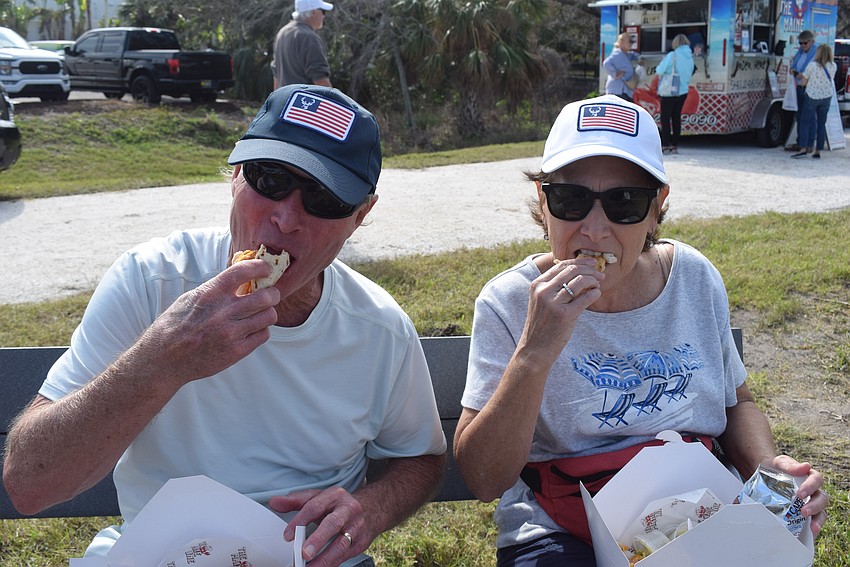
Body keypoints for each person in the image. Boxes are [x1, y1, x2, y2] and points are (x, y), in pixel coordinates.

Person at [2, 85, 447, 567]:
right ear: (235, 175)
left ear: (361, 216)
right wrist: (164, 359)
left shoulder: (378, 328)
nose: (285, 217)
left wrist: (371, 509)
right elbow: (30, 483)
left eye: (324, 198)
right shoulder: (151, 281)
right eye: (269, 178)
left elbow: (419, 458)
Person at [452, 94, 829, 566]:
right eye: (570, 200)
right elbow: (484, 479)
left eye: (624, 203)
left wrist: (769, 473)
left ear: (657, 208)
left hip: (699, 512)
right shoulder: (509, 302)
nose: (593, 229)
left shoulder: (693, 277)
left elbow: (738, 403)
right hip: (562, 528)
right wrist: (532, 355)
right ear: (543, 203)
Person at [273, 0, 334, 89]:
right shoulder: (309, 37)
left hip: (287, 100)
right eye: (323, 11)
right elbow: (320, 79)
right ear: (313, 12)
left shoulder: (282, 33)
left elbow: (276, 74)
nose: (324, 16)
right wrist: (336, 100)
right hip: (304, 101)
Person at [794, 44, 837, 159]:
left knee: (805, 121)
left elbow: (803, 82)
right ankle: (818, 150)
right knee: (821, 124)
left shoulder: (812, 65)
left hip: (812, 96)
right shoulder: (833, 66)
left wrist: (801, 79)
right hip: (826, 97)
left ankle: (803, 148)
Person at [655, 34, 695, 155]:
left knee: (665, 119)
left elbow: (660, 70)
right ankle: (675, 145)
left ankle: (665, 145)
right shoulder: (690, 57)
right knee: (676, 118)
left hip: (669, 91)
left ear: (675, 43)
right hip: (683, 91)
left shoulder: (673, 55)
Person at [785, 30, 818, 151]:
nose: (803, 46)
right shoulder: (801, 51)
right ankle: (800, 142)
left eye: (805, 43)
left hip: (810, 88)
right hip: (799, 86)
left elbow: (812, 71)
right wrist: (794, 71)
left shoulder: (817, 52)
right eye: (800, 43)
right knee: (799, 116)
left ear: (811, 41)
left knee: (809, 117)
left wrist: (800, 74)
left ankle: (809, 144)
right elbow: (794, 64)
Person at [602, 33, 639, 102]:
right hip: (617, 91)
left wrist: (639, 58)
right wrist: (615, 74)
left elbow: (633, 55)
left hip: (623, 90)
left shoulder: (626, 54)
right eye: (629, 41)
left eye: (632, 42)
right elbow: (606, 63)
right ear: (621, 42)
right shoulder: (617, 54)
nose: (631, 44)